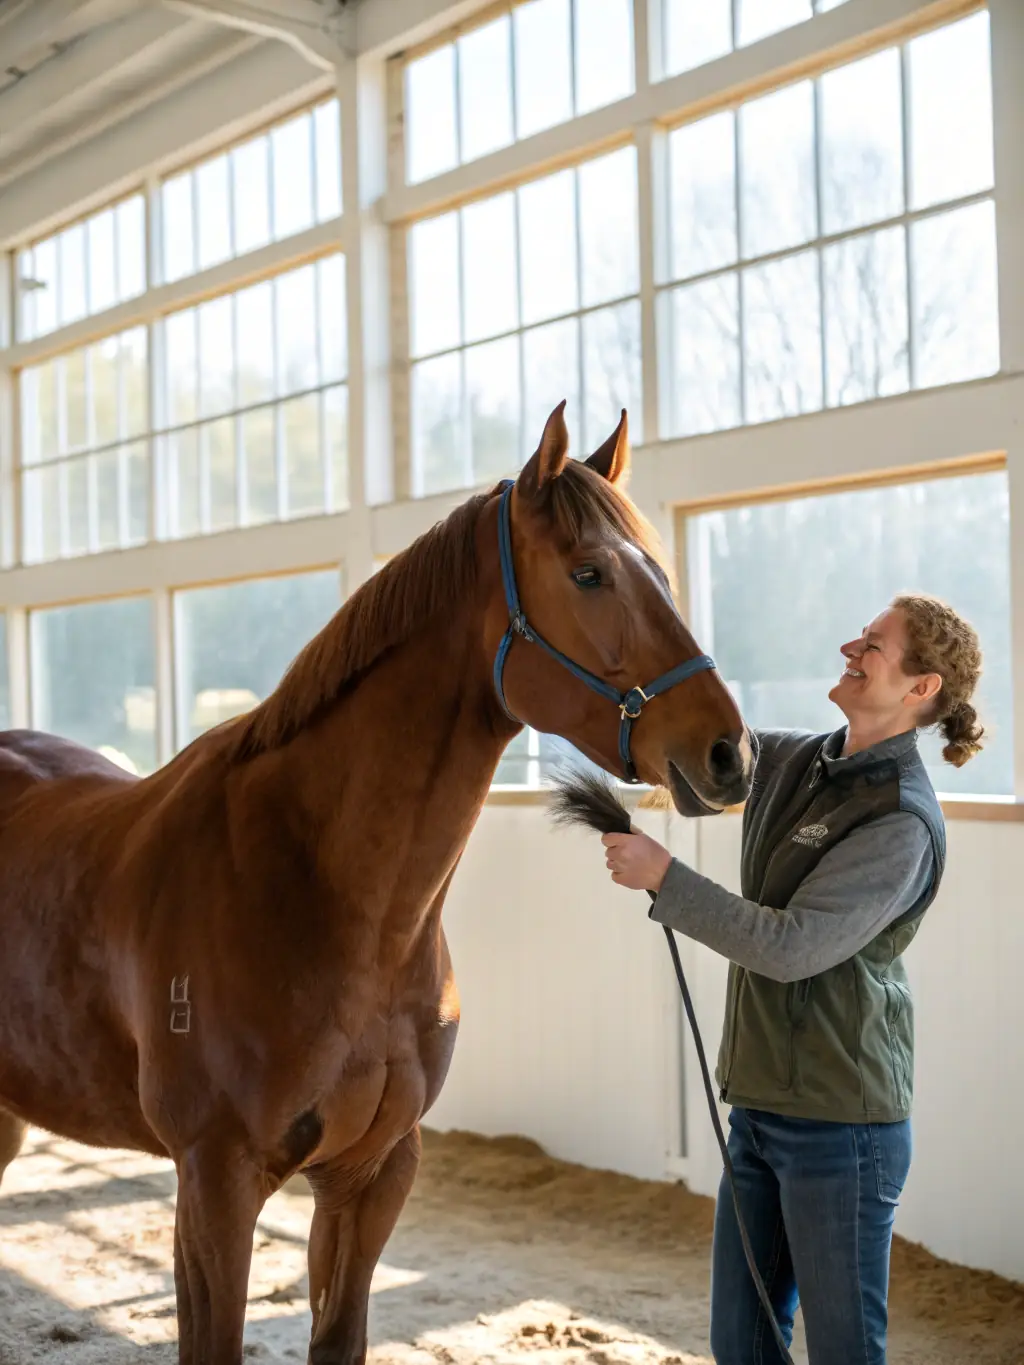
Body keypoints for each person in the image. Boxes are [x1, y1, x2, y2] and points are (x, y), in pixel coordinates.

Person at [600, 594, 984, 1365]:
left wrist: (664, 876)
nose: (851, 644)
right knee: (740, 1343)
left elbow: (793, 945)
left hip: (843, 1125)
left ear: (921, 688)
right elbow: (698, 756)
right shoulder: (792, 760)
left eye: (874, 644)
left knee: (842, 1349)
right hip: (761, 1104)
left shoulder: (900, 817)